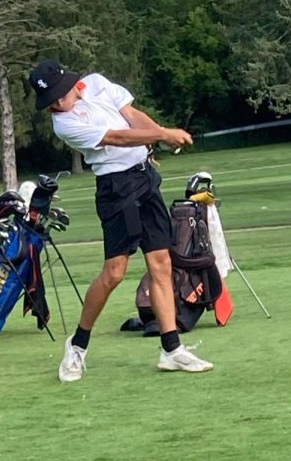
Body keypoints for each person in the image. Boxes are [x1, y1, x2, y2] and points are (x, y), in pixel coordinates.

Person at [28, 58, 214, 382]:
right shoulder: (65, 124)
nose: (57, 104)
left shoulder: (98, 83)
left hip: (145, 178)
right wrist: (164, 134)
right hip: (116, 188)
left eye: (60, 94)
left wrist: (157, 133)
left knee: (161, 264)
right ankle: (78, 345)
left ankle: (171, 350)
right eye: (50, 101)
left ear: (70, 82)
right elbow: (115, 137)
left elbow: (132, 116)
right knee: (114, 273)